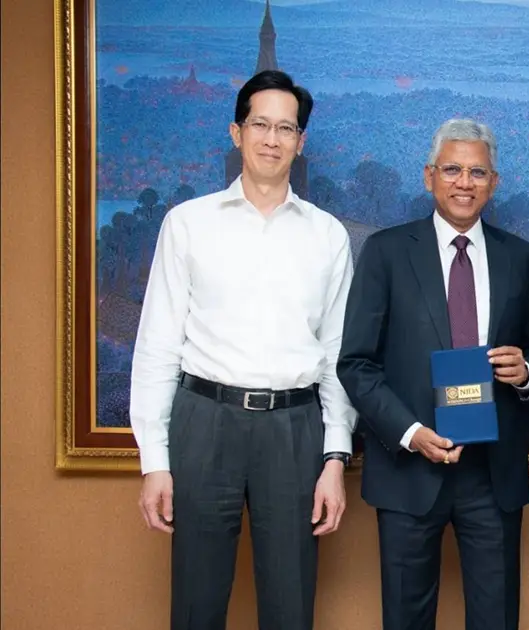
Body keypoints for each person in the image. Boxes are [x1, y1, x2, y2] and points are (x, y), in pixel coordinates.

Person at [129, 69, 356, 630]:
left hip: (294, 429)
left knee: (290, 604)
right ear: (237, 132)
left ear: (301, 141)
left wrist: (334, 458)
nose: (272, 139)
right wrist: (154, 461)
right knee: (196, 602)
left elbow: (337, 356)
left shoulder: (327, 235)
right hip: (205, 423)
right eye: (260, 124)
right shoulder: (188, 224)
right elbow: (157, 346)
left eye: (286, 128)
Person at [337, 118, 529, 630]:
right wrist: (410, 432)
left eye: (477, 172)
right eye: (452, 169)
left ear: (494, 182)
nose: (464, 182)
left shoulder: (521, 257)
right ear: (429, 175)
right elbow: (356, 363)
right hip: (410, 468)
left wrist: (525, 372)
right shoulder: (386, 252)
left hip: (492, 474)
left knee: (496, 618)